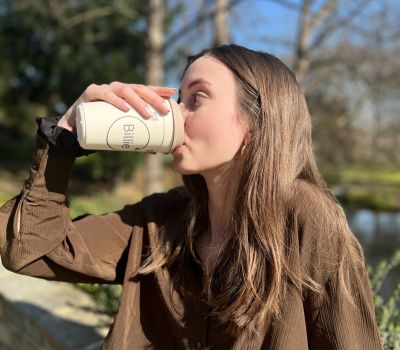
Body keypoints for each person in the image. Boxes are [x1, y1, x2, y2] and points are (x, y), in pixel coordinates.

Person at [0, 44, 383, 349]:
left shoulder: (307, 219)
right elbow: (29, 250)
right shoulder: (160, 220)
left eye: (196, 98)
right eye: (178, 98)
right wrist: (63, 139)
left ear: (256, 121)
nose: (176, 114)